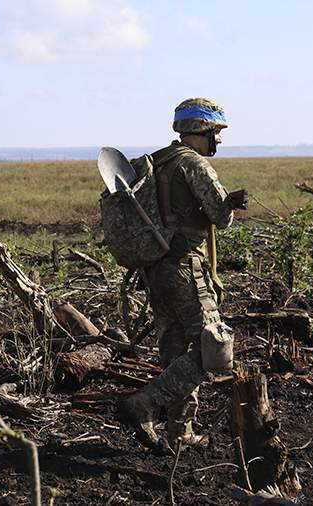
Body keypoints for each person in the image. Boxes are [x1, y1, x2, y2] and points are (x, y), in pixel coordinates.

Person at [117, 97, 248, 452]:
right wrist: (230, 204)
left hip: (156, 269)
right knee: (213, 349)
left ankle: (180, 434)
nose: (218, 141)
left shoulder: (157, 162)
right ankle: (144, 403)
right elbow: (221, 217)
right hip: (186, 267)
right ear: (200, 130)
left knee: (175, 352)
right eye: (216, 133)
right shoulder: (193, 164)